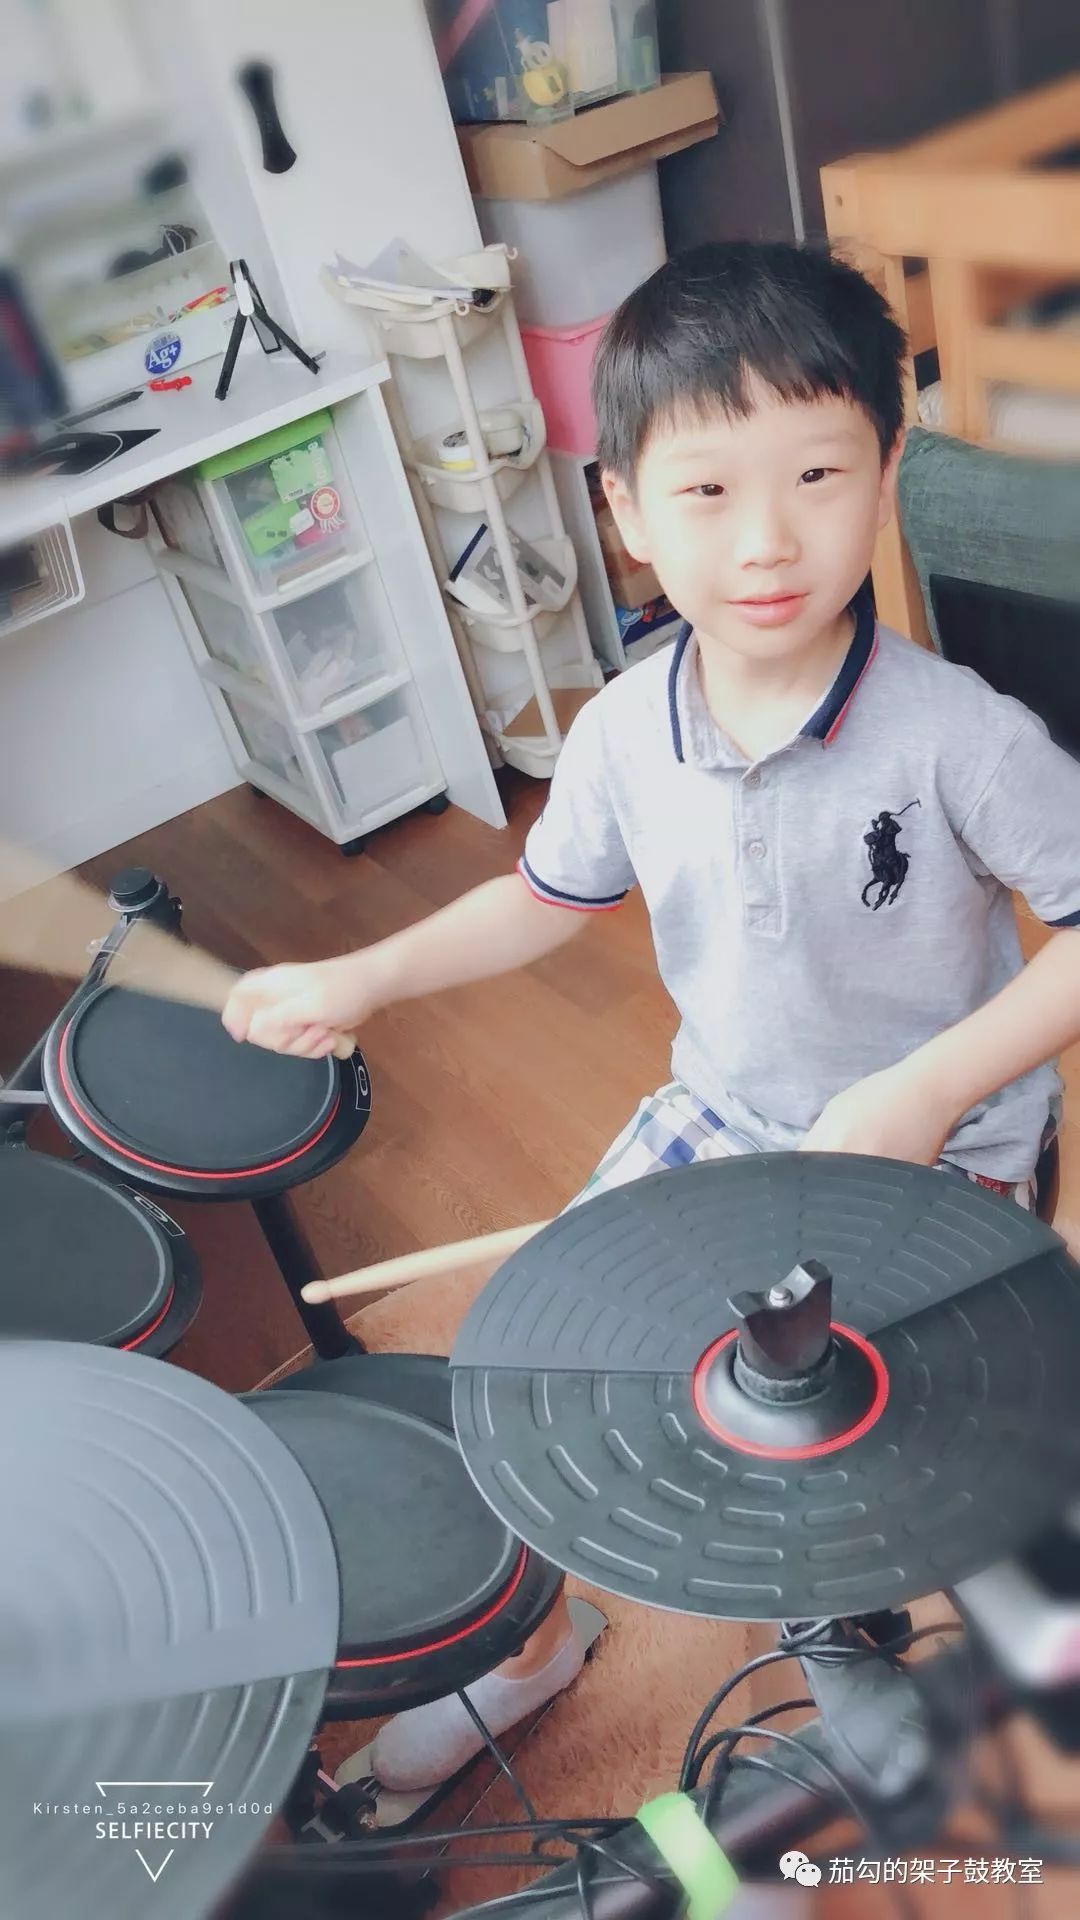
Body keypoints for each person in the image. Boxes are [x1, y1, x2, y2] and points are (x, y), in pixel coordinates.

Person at [222, 240, 1080, 1790]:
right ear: (622, 509)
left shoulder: (962, 736)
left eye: (817, 474)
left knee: (851, 1416)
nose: (767, 539)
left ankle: (839, 1621)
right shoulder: (623, 729)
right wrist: (363, 977)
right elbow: (546, 896)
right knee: (560, 1375)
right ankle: (533, 1644)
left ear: (887, 470)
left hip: (940, 1141)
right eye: (704, 491)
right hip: (724, 1111)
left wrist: (929, 1089)